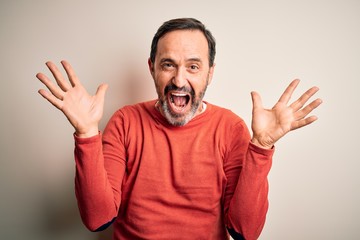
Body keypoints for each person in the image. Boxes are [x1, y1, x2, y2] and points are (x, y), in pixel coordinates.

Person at [36, 18, 322, 240]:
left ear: (210, 72)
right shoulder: (125, 122)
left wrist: (261, 146)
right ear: (152, 68)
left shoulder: (230, 127)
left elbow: (244, 231)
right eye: (168, 65)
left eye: (193, 66)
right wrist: (87, 133)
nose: (179, 79)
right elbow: (98, 219)